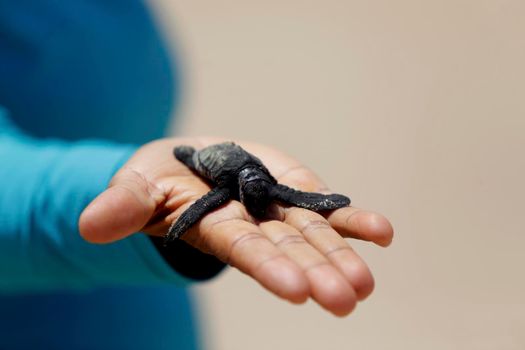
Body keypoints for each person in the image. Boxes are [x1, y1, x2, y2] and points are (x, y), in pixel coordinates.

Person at [0, 1, 393, 349]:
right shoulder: (224, 190)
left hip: (154, 303)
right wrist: (153, 195)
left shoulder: (254, 185)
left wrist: (325, 202)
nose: (262, 197)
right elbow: (215, 198)